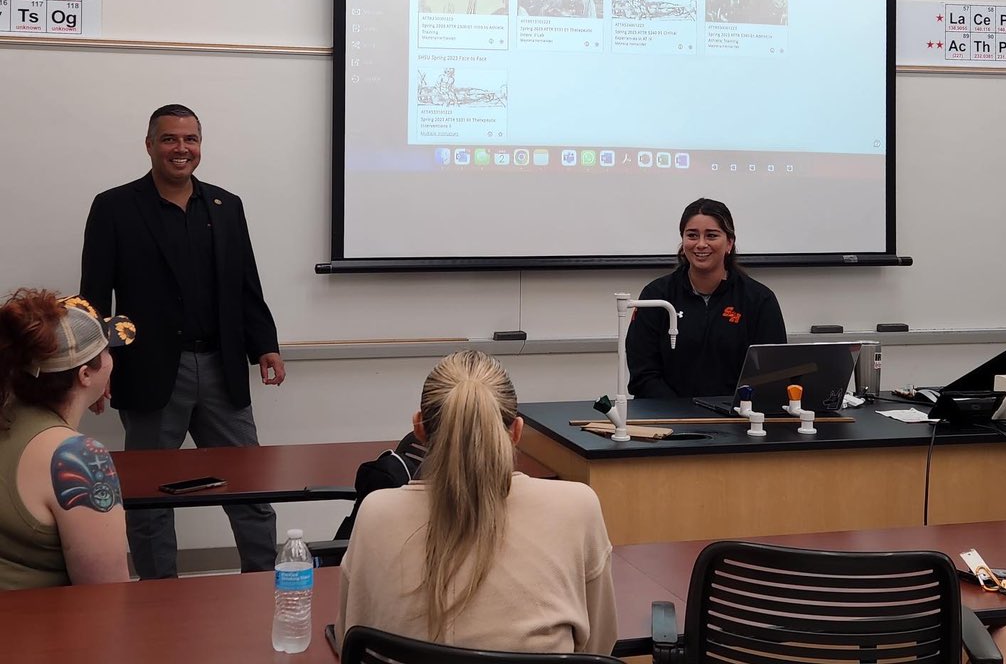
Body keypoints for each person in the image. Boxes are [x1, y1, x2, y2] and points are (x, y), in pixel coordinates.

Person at [80, 103, 286, 579]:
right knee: (150, 498)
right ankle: (157, 595)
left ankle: (262, 583)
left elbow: (246, 284)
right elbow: (93, 295)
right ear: (150, 145)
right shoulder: (114, 207)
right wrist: (92, 364)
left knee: (250, 488)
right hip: (150, 372)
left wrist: (265, 345)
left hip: (221, 367)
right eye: (170, 139)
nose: (181, 149)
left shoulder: (225, 206)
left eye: (190, 140)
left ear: (200, 146)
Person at [336, 350, 617, 654]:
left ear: (419, 429)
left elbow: (349, 640)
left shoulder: (376, 514)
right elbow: (599, 647)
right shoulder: (576, 509)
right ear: (517, 431)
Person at [0, 291, 133, 590]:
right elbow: (107, 595)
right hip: (39, 633)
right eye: (107, 351)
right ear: (86, 374)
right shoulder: (77, 457)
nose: (112, 361)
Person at [626, 197, 786, 398]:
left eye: (711, 235)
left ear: (729, 243)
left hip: (737, 420)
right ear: (683, 241)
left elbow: (772, 375)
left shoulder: (759, 300)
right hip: (669, 421)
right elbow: (643, 375)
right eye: (692, 235)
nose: (701, 244)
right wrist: (680, 413)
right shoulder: (656, 295)